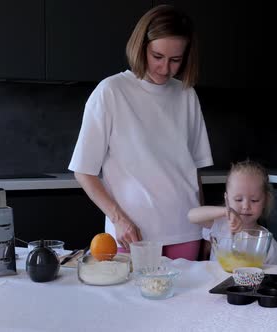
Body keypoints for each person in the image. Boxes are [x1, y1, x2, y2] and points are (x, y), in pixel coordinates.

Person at [69, 5, 213, 261]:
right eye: (157, 56)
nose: (165, 68)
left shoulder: (187, 95)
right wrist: (118, 219)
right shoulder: (111, 92)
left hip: (185, 231)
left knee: (185, 300)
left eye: (175, 60)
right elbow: (84, 171)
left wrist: (205, 230)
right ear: (141, 46)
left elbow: (194, 172)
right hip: (131, 234)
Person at [188, 160, 277, 265]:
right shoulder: (220, 225)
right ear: (227, 199)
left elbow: (274, 276)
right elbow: (192, 216)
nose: (246, 206)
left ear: (265, 200)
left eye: (254, 200)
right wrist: (225, 211)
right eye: (238, 199)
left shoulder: (269, 246)